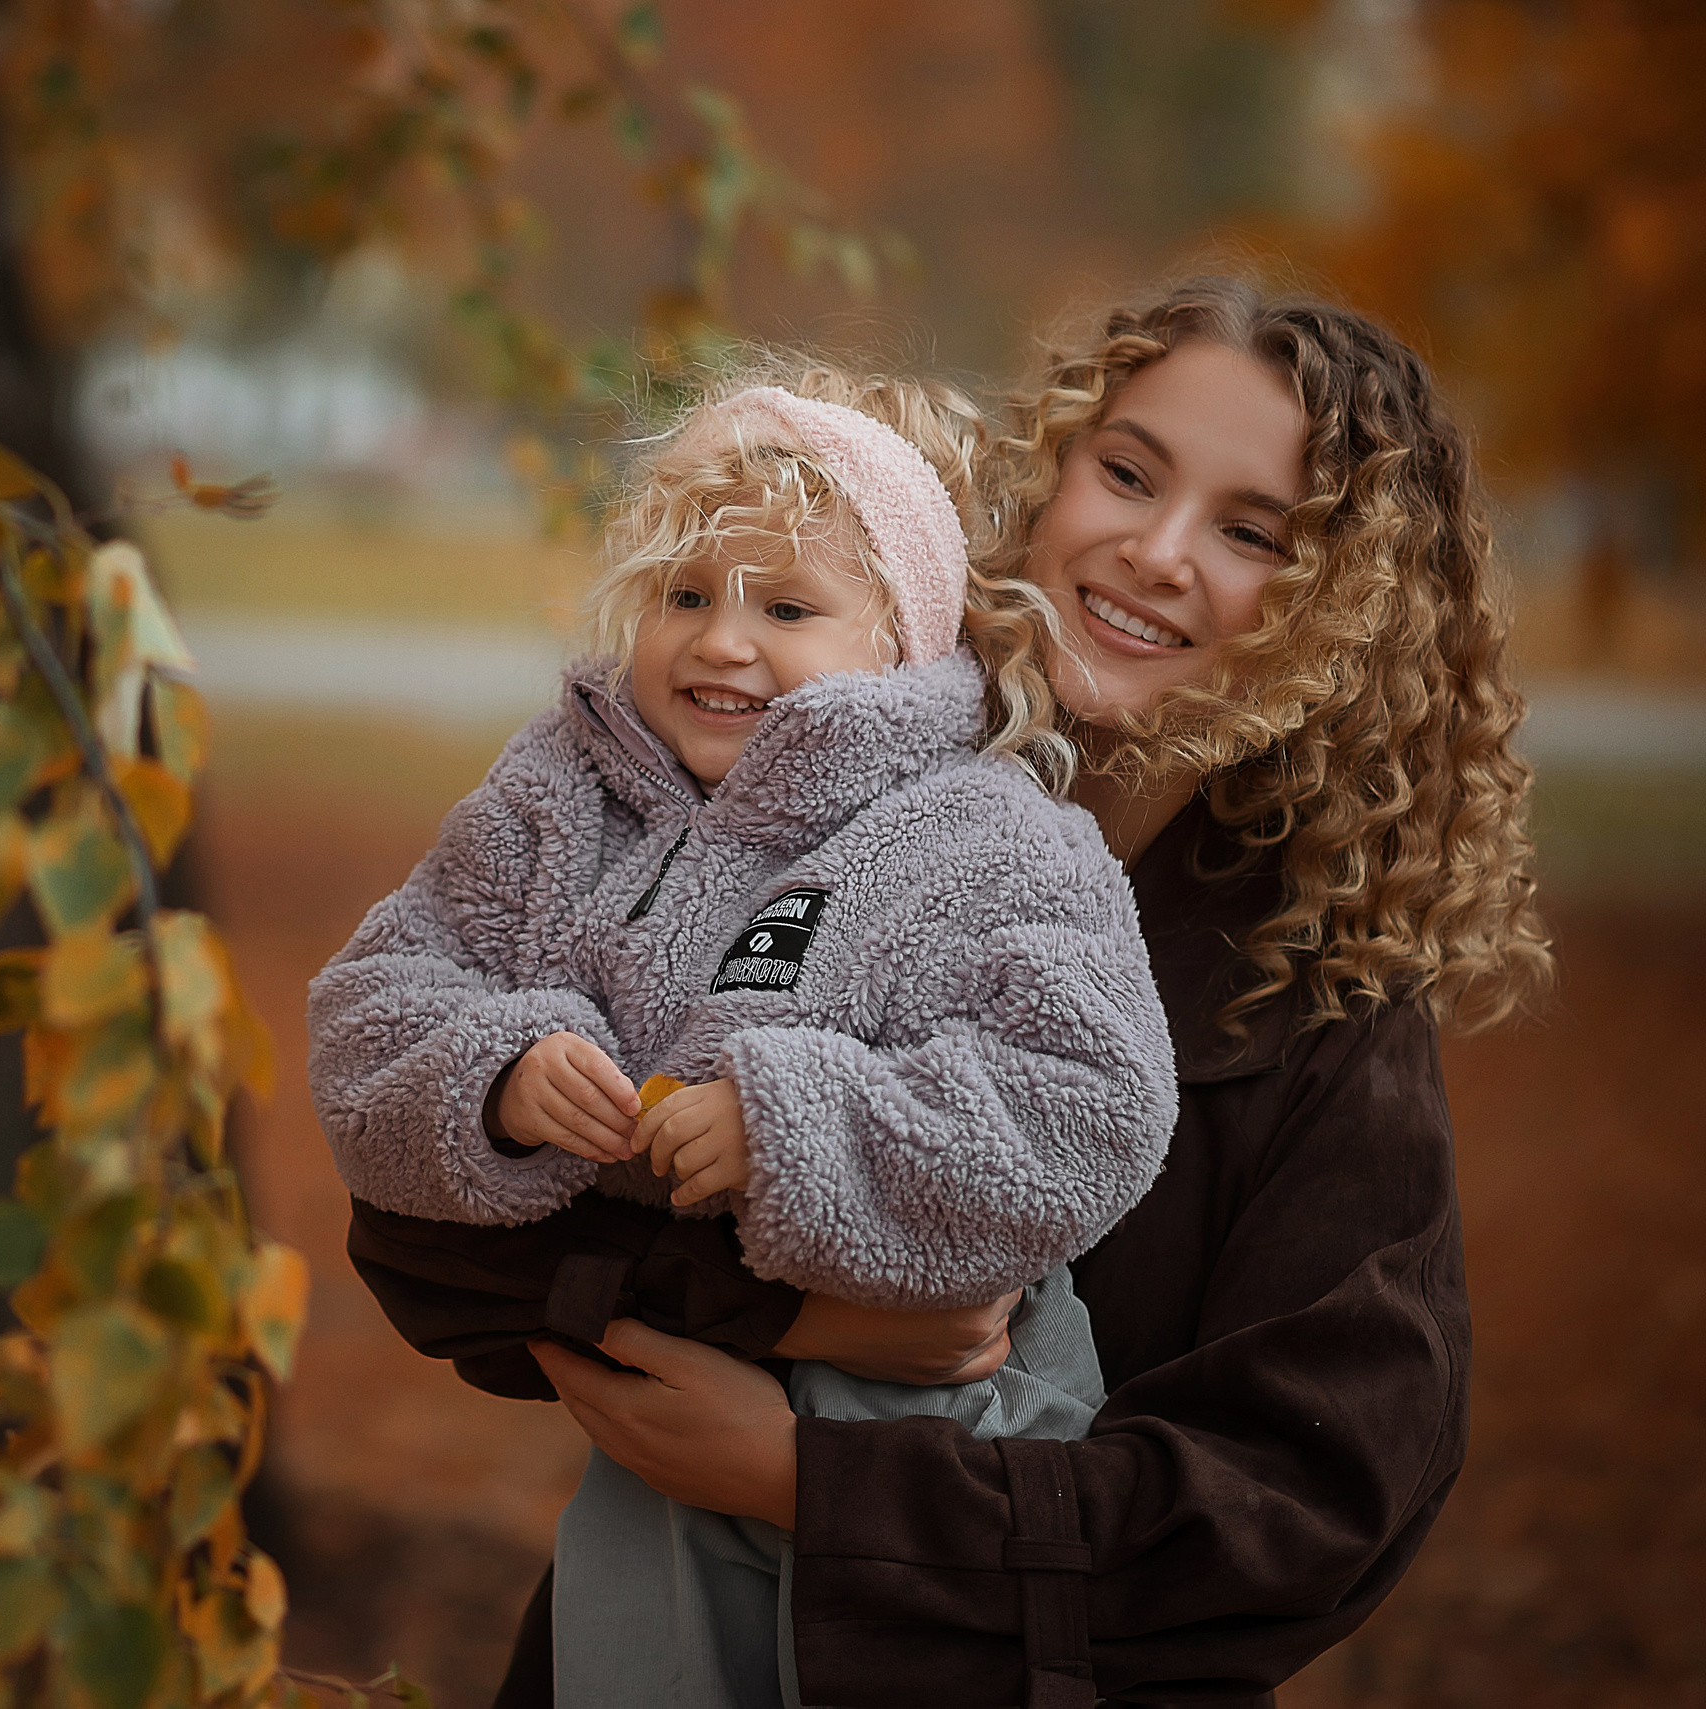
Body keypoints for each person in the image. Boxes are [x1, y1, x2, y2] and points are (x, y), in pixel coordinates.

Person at [343, 276, 1551, 1707]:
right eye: (1127, 472)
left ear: (1340, 611)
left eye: (1250, 531)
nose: (1156, 551)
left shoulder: (1322, 1003)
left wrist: (818, 1479)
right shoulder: (764, 778)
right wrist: (792, 1327)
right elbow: (425, 1225)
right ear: (1044, 476)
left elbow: (1307, 1512)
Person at [305, 369, 1180, 1708]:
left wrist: (796, 1124)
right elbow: (375, 998)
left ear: (902, 635)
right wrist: (500, 1073)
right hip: (658, 1433)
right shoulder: (559, 799)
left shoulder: (987, 840)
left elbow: (1091, 1104)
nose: (722, 642)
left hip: (937, 1442)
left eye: (786, 607)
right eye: (685, 595)